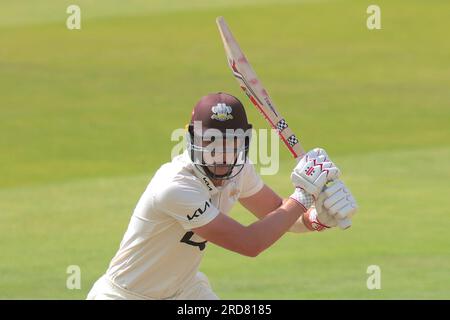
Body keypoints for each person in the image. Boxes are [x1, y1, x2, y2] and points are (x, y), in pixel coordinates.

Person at [87, 92, 358, 300]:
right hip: (126, 295)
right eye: (210, 141)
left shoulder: (239, 171)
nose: (220, 152)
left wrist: (316, 218)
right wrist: (303, 196)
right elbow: (249, 243)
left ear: (244, 142)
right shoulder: (175, 187)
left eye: (230, 142)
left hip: (184, 291)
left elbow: (277, 213)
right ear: (192, 140)